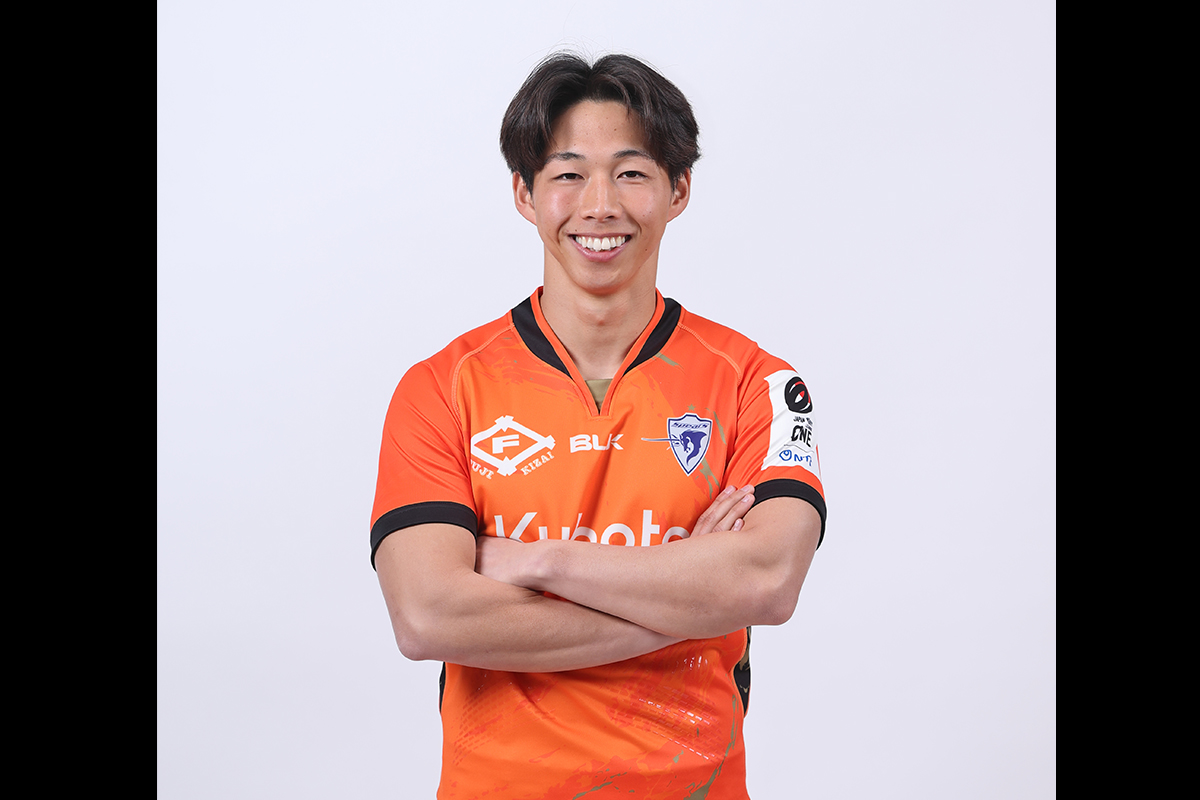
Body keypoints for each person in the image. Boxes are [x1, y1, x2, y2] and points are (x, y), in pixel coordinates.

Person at [371, 52, 826, 799]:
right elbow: (427, 615)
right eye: (569, 173)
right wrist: (690, 600)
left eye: (632, 172)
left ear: (679, 190)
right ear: (525, 193)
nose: (601, 205)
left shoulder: (759, 383)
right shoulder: (440, 389)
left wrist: (538, 562)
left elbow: (767, 580)